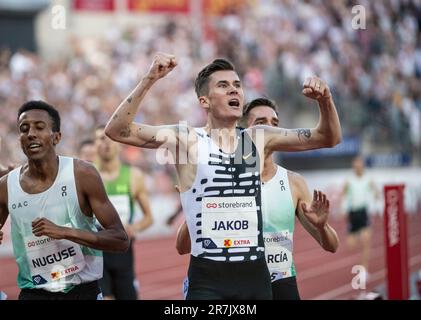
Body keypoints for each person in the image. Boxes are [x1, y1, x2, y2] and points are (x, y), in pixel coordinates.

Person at [104, 53, 342, 299]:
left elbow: (328, 137)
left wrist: (325, 99)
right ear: (204, 101)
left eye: (237, 86)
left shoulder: (258, 138)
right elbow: (117, 130)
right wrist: (150, 78)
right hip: (208, 279)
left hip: (255, 277)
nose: (234, 91)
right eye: (223, 85)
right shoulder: (187, 140)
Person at [176, 98, 339, 299]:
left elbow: (331, 246)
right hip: (240, 286)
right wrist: (195, 206)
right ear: (244, 131)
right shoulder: (222, 181)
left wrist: (322, 226)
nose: (270, 129)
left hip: (282, 284)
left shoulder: (294, 183)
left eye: (275, 124)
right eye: (261, 123)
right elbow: (183, 247)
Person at [0, 100, 129, 300]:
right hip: (34, 293)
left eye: (39, 127)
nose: (31, 133)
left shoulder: (82, 174)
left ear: (56, 137)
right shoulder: (6, 186)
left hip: (81, 291)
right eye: (23, 129)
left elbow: (120, 240)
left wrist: (64, 232)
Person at [94, 126, 153, 300]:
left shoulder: (134, 176)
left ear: (119, 144)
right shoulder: (88, 175)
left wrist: (134, 228)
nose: (106, 144)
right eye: (101, 139)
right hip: (97, 251)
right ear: (95, 144)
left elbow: (149, 218)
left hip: (123, 250)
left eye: (110, 139)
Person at [342, 156, 377, 278]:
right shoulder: (349, 180)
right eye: (355, 166)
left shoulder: (368, 179)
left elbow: (376, 192)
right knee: (351, 244)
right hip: (353, 214)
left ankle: (364, 270)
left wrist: (376, 200)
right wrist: (343, 210)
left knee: (366, 241)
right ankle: (356, 234)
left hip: (363, 212)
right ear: (353, 167)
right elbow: (344, 195)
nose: (357, 167)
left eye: (359, 165)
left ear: (362, 166)